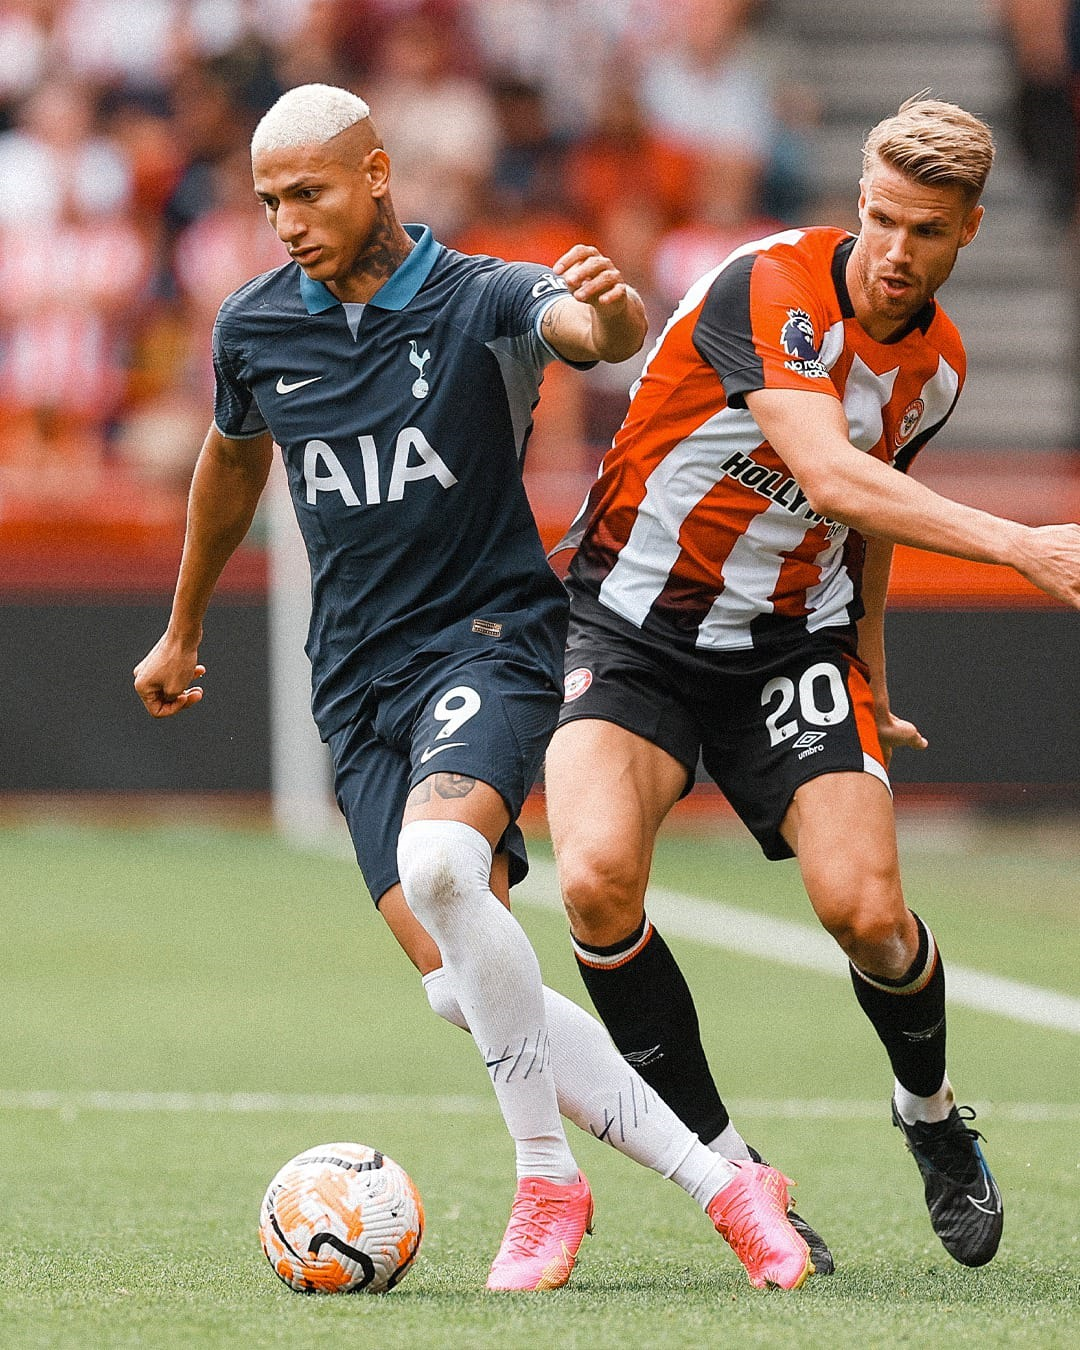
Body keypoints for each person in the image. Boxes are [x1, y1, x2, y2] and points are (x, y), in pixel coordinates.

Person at [133, 83, 819, 1293]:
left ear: (378, 173)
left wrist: (610, 316)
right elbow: (229, 467)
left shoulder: (480, 294)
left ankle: (547, 1179)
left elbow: (581, 333)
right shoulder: (254, 330)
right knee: (464, 986)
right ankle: (727, 1182)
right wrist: (182, 629)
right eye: (269, 201)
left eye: (311, 192)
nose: (288, 220)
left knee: (446, 870)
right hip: (352, 687)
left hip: (489, 640)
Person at [545, 93, 1080, 1272]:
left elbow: (867, 521)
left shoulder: (936, 370)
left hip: (791, 646)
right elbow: (832, 475)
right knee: (591, 883)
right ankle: (738, 1181)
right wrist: (1025, 544)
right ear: (857, 205)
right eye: (882, 220)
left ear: (969, 233)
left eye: (926, 232)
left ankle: (932, 1118)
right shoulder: (769, 286)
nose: (896, 253)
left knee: (870, 917)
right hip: (632, 625)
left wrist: (871, 670)